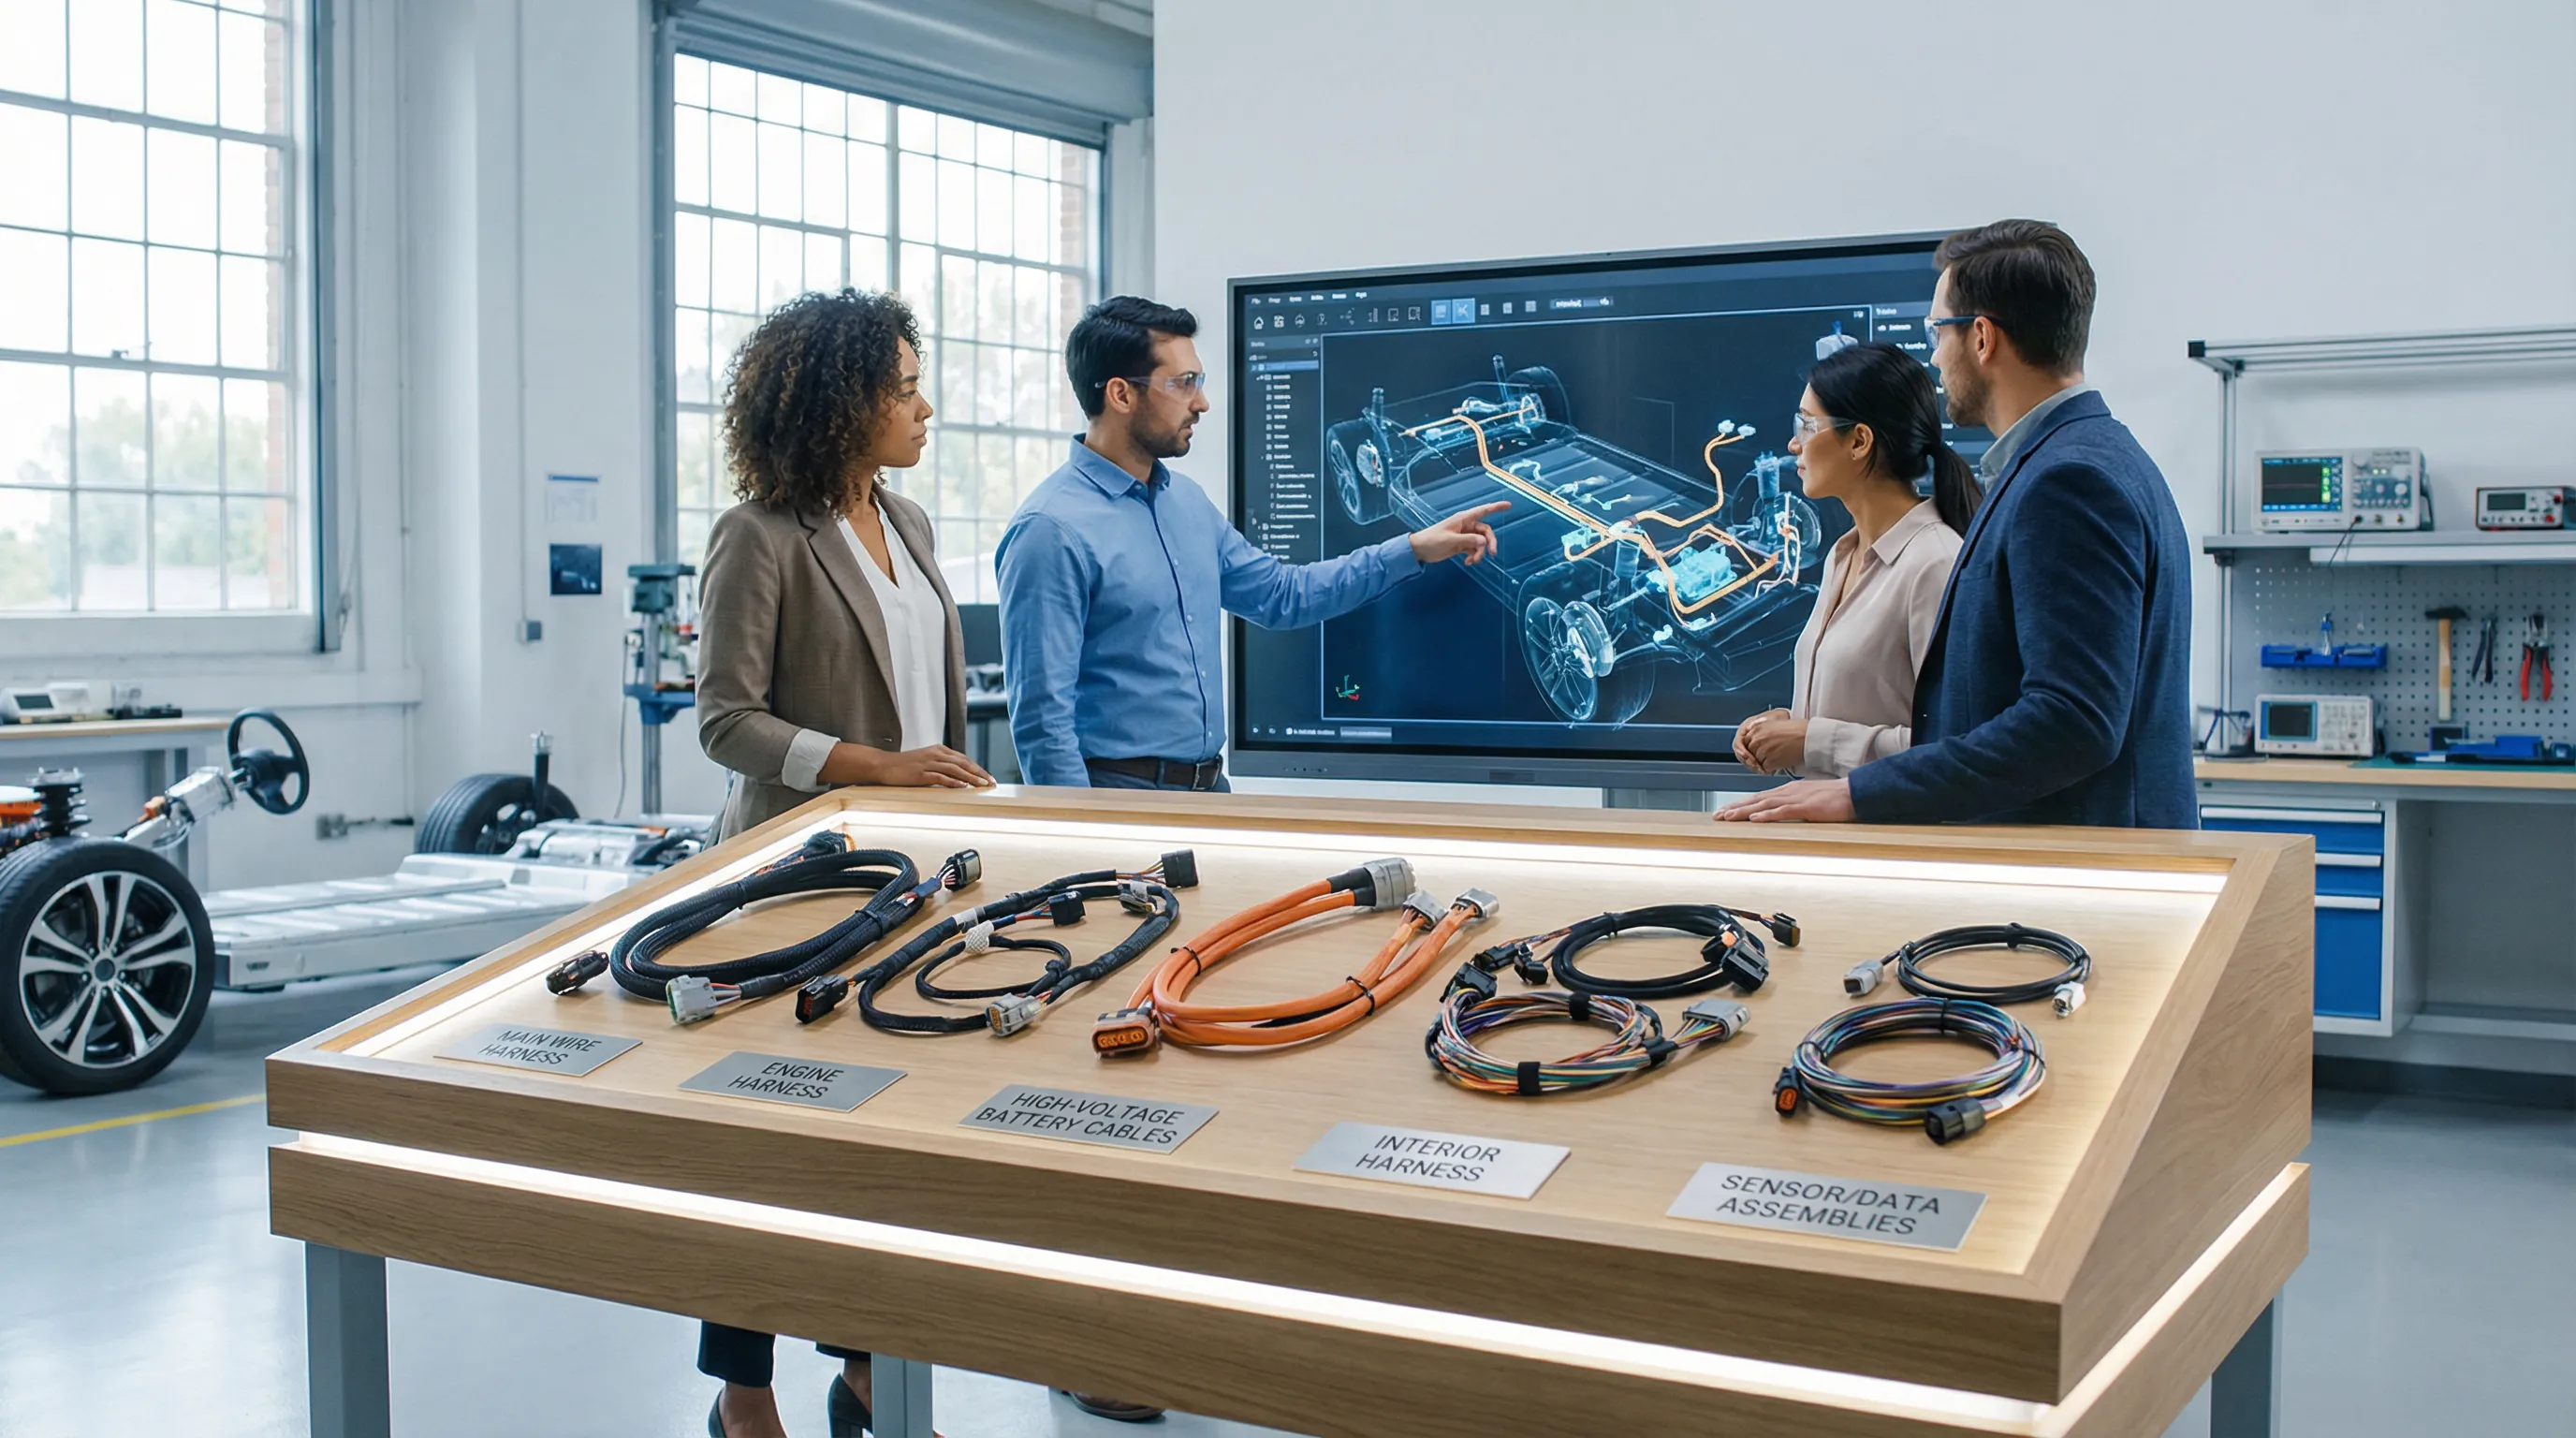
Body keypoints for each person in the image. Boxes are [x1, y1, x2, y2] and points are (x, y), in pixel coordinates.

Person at [693, 287, 989, 1438]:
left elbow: (939, 704)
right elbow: (726, 721)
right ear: (836, 402)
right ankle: (744, 1393)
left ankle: (868, 1369)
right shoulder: (759, 536)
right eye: (902, 386)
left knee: (886, 1135)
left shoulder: (907, 525)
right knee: (767, 1142)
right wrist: (875, 765)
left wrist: (946, 786)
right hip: (790, 881)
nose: (923, 407)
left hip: (909, 878)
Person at [1719, 219, 2194, 828]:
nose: (1934, 356)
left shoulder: (2067, 481)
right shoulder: (2091, 459)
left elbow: (2073, 721)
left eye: (1937, 331)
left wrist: (1858, 792)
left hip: (2077, 877)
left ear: (1982, 338)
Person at [996, 296, 1510, 795]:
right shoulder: (1050, 531)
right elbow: (1043, 723)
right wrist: (1086, 847)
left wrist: (1414, 548)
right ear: (1121, 395)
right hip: (1122, 800)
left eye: (1199, 381)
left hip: (1210, 793)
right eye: (1183, 383)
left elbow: (1283, 595)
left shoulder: (1186, 503)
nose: (1201, 402)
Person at [1731, 342, 1980, 779]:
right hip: (1828, 833)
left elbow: (1955, 748)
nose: (1793, 444)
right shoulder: (1842, 555)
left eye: (1807, 426)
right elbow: (1858, 710)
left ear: (1859, 441)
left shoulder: (1934, 564)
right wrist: (1786, 728)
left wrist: (1810, 741)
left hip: (1888, 841)